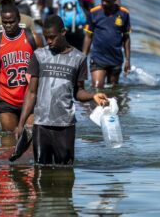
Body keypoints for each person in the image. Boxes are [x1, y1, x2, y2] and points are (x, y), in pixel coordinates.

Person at [16, 15, 109, 166]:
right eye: (46, 37)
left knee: (65, 172)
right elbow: (32, 93)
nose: (49, 41)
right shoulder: (39, 56)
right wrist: (21, 124)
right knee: (40, 171)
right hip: (41, 125)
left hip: (65, 126)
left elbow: (78, 92)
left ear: (63, 32)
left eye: (52, 37)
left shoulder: (78, 58)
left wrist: (93, 96)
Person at [0, 5, 43, 131]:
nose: (8, 25)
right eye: (5, 22)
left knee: (30, 140)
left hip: (30, 98)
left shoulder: (33, 38)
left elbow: (44, 71)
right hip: (7, 100)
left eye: (11, 22)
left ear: (18, 20)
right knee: (8, 143)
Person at [82, 0, 131, 87]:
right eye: (102, 0)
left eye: (107, 1)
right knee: (97, 88)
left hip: (115, 59)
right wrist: (83, 58)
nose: (104, 3)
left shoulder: (124, 13)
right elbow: (88, 36)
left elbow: (126, 38)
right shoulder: (94, 13)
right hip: (98, 58)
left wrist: (128, 60)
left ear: (115, 0)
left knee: (113, 91)